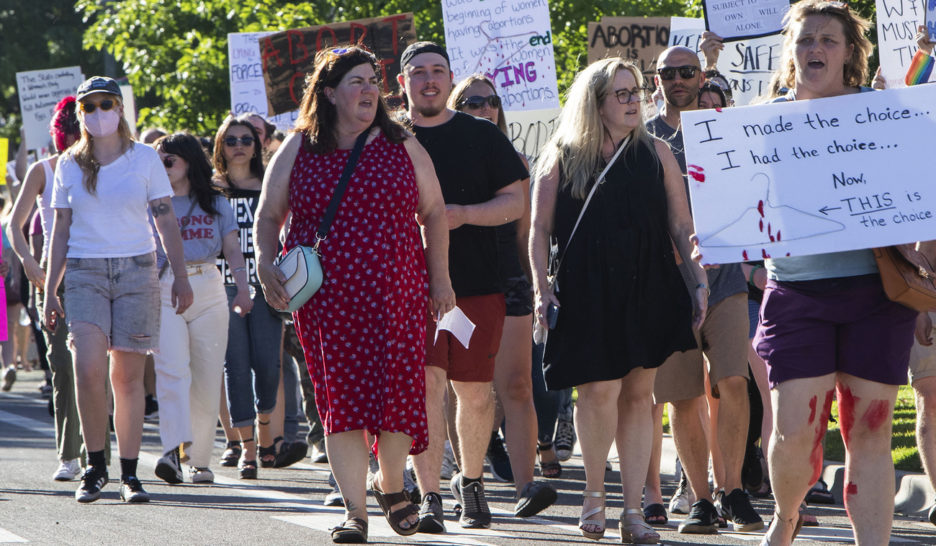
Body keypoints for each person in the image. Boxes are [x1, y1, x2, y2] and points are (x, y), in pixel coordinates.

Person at [255, 46, 454, 543]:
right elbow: (266, 215)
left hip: (399, 295)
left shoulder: (400, 142)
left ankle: (390, 483)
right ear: (328, 93)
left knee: (396, 397)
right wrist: (262, 262)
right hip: (329, 303)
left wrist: (442, 280)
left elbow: (434, 213)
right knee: (340, 401)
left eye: (372, 81)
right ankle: (354, 513)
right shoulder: (300, 146)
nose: (369, 90)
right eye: (356, 82)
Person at [751, 2, 917, 543]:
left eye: (828, 40)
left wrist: (929, 281)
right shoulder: (761, 121)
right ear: (790, 50)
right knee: (794, 429)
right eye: (805, 40)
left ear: (850, 52)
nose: (815, 49)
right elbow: (737, 203)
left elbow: (923, 199)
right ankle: (787, 513)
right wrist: (722, 233)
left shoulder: (886, 113)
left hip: (878, 290)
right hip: (797, 291)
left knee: (868, 429)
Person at [530, 57, 706, 544]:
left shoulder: (657, 152)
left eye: (635, 92)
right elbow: (539, 230)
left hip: (648, 282)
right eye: (622, 94)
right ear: (596, 103)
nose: (635, 101)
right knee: (598, 392)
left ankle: (632, 510)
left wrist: (697, 281)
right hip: (586, 287)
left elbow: (680, 225)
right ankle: (592, 495)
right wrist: (542, 290)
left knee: (638, 395)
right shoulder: (561, 155)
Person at [396, 41, 536, 532]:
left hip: (477, 285)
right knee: (428, 386)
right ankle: (430, 493)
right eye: (419, 72)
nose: (429, 79)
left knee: (474, 393)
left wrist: (460, 216)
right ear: (402, 83)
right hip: (409, 290)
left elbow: (516, 204)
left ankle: (470, 482)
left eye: (438, 71)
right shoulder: (387, 138)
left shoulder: (480, 134)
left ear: (449, 78)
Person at [44, 76, 193, 503]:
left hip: (136, 271)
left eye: (106, 103)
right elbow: (60, 229)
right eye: (89, 107)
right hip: (85, 273)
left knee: (126, 377)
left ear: (120, 109)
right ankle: (95, 467)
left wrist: (180, 276)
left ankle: (129, 474)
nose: (98, 113)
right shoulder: (69, 163)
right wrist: (52, 288)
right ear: (81, 115)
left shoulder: (145, 158)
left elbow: (165, 217)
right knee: (88, 368)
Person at [646, 45, 763, 534]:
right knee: (683, 395)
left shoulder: (727, 130)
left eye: (686, 71)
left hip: (726, 274)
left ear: (702, 75)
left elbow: (757, 191)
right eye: (667, 73)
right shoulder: (641, 136)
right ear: (657, 80)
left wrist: (757, 257)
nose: (677, 79)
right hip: (666, 282)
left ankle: (733, 489)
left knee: (733, 380)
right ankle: (700, 499)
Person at [448, 74, 560, 500]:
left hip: (507, 280)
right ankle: (467, 479)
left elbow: (525, 232)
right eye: (473, 101)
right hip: (453, 285)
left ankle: (526, 485)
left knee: (517, 384)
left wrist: (536, 283)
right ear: (457, 105)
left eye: (491, 101)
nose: (484, 107)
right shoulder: (434, 154)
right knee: (463, 386)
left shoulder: (515, 161)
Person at [150, 132, 252, 485]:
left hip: (209, 285)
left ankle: (199, 460)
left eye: (168, 160)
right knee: (172, 370)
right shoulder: (150, 203)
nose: (161, 167)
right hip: (164, 288)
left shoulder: (216, 202)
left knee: (208, 378)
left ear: (188, 161)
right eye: (157, 160)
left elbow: (233, 251)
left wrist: (243, 289)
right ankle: (171, 452)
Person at [6, 96, 93, 482]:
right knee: (61, 365)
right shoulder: (44, 170)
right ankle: (69, 454)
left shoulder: (106, 168)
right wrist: (26, 258)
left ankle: (97, 452)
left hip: (97, 277)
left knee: (95, 368)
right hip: (52, 279)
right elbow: (15, 223)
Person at [211, 114, 284, 479]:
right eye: (231, 140)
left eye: (246, 139)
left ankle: (266, 425)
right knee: (235, 368)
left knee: (268, 366)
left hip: (267, 286)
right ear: (221, 147)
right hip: (222, 288)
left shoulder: (271, 184)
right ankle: (248, 450)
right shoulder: (210, 189)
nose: (239, 145)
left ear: (257, 146)